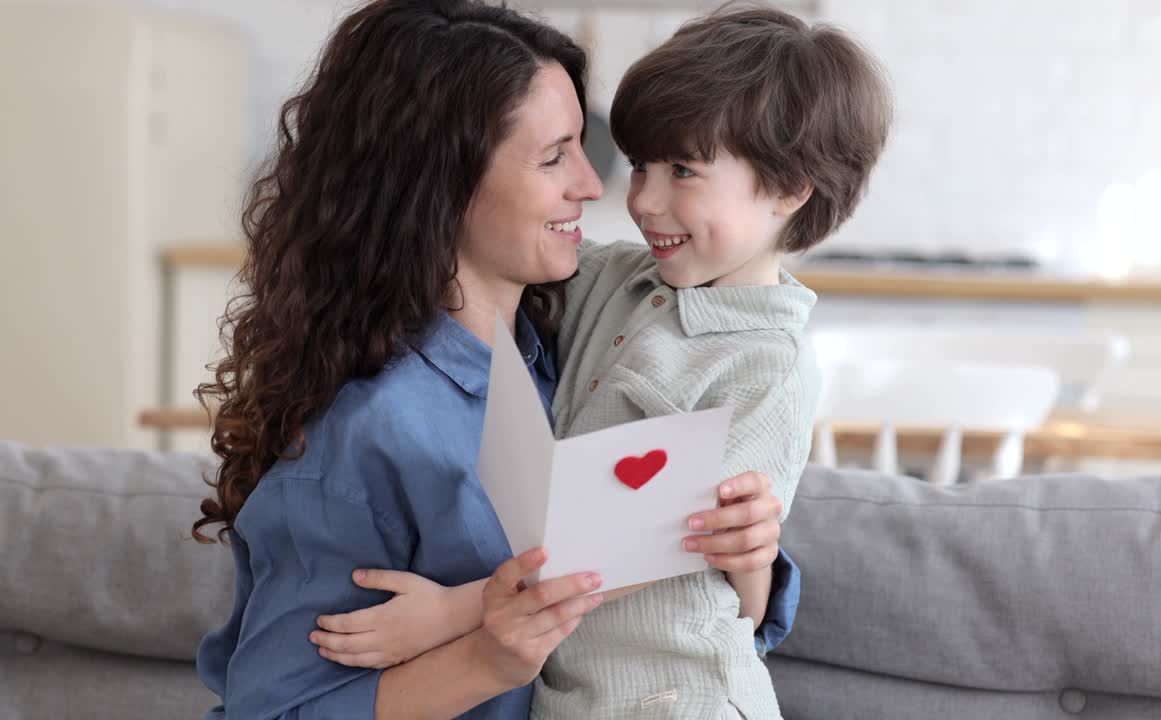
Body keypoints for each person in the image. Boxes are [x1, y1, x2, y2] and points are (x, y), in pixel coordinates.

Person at [192, 1, 795, 718]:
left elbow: (692, 606)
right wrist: (484, 660)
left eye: (582, 148)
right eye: (554, 157)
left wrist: (750, 549)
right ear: (442, 184)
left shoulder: (563, 357)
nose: (593, 185)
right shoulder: (369, 433)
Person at [308, 5, 892, 718]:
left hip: (681, 700)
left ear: (789, 187)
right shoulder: (616, 279)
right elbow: (479, 236)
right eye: (642, 164)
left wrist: (454, 614)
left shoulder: (770, 365)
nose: (643, 199)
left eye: (684, 171)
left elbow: (640, 543)